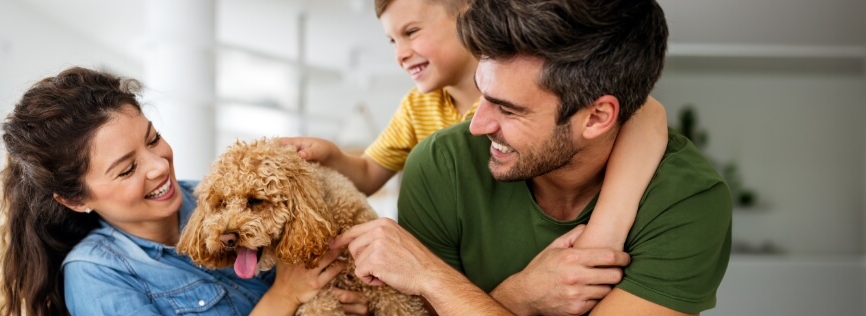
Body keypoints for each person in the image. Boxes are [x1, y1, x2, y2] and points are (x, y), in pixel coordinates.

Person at [332, 0, 733, 316]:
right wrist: (521, 295)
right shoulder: (441, 164)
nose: (477, 124)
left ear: (596, 117)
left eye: (508, 110)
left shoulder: (688, 199)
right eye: (481, 94)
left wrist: (431, 278)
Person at [280, 0, 671, 251]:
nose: (400, 54)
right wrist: (332, 155)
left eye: (411, 31)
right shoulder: (420, 107)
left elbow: (645, 113)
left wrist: (604, 233)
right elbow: (368, 172)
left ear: (466, 11)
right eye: (391, 41)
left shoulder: (545, 87)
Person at [0, 67, 368, 316]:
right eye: (127, 169)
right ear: (76, 199)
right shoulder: (96, 276)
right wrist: (285, 297)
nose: (158, 166)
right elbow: (291, 290)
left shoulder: (216, 196)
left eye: (153, 139)